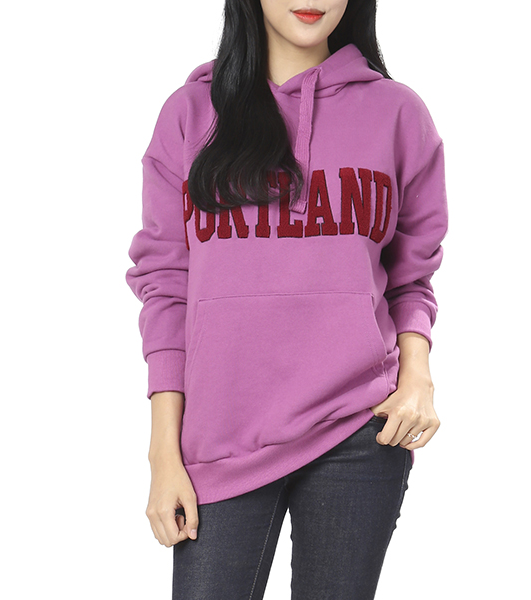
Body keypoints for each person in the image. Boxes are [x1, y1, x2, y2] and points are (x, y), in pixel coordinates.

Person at [125, 0, 448, 598]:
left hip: (358, 429)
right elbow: (166, 287)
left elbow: (411, 276)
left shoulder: (397, 113)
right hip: (220, 440)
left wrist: (418, 377)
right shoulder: (190, 114)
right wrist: (162, 453)